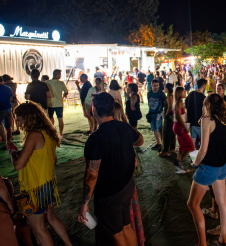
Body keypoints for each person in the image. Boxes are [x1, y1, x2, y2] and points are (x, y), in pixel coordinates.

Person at [78, 92, 143, 246]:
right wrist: (124, 131)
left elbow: (91, 175)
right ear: (113, 108)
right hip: (127, 186)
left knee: (116, 233)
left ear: (94, 111)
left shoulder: (95, 139)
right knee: (126, 226)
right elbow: (140, 140)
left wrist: (85, 203)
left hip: (109, 194)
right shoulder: (125, 128)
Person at [11, 101, 72, 246]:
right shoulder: (48, 133)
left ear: (27, 118)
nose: (18, 125)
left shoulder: (34, 134)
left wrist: (12, 152)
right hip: (48, 184)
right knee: (51, 218)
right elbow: (53, 160)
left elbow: (18, 165)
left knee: (37, 227)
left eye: (19, 120)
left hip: (34, 187)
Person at [187, 94, 226, 246]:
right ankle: (222, 239)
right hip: (221, 167)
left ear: (208, 106)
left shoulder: (208, 120)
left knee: (192, 204)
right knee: (223, 202)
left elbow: (203, 149)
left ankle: (202, 243)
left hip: (208, 167)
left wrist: (195, 163)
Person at [112, 101, 146, 246]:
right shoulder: (126, 130)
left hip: (117, 186)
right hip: (128, 183)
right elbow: (140, 141)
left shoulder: (115, 132)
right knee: (127, 221)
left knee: (119, 225)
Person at [174, 87, 194, 173]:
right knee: (190, 146)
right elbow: (178, 117)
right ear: (179, 93)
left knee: (182, 147)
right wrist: (185, 127)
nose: (185, 92)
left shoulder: (179, 103)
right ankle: (179, 163)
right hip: (179, 127)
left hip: (178, 126)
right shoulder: (178, 103)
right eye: (183, 91)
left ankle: (179, 166)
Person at [45, 69, 68, 137]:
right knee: (60, 118)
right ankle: (61, 134)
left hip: (50, 103)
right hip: (59, 103)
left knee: (51, 118)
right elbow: (66, 92)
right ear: (57, 75)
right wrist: (63, 96)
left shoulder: (47, 82)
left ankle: (52, 133)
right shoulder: (61, 83)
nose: (60, 76)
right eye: (60, 74)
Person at [186, 79, 207, 147]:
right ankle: (200, 157)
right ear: (204, 85)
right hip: (200, 123)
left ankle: (193, 156)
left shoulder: (190, 94)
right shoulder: (203, 98)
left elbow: (187, 106)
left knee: (193, 143)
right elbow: (205, 112)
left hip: (191, 123)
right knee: (202, 144)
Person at [147, 79, 166, 151]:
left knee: (159, 129)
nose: (156, 87)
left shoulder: (161, 93)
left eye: (157, 86)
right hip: (152, 113)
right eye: (154, 85)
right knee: (154, 129)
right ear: (151, 85)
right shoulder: (149, 93)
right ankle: (158, 143)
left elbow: (164, 103)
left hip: (159, 114)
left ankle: (162, 144)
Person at [161, 83, 176, 157]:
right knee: (172, 132)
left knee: (166, 133)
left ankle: (165, 150)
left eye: (165, 87)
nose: (164, 88)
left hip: (169, 117)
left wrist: (166, 115)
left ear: (167, 88)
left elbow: (170, 107)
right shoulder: (172, 95)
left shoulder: (169, 96)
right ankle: (171, 148)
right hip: (172, 117)